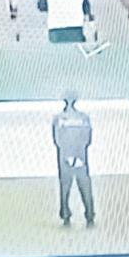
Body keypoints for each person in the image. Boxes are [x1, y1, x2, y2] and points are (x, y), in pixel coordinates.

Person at [52, 96, 95, 228]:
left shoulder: (58, 118)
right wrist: (78, 153)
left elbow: (57, 140)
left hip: (66, 156)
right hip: (80, 155)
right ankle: (89, 215)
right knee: (84, 186)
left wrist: (68, 155)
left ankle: (67, 215)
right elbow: (88, 138)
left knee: (66, 187)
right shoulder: (84, 117)